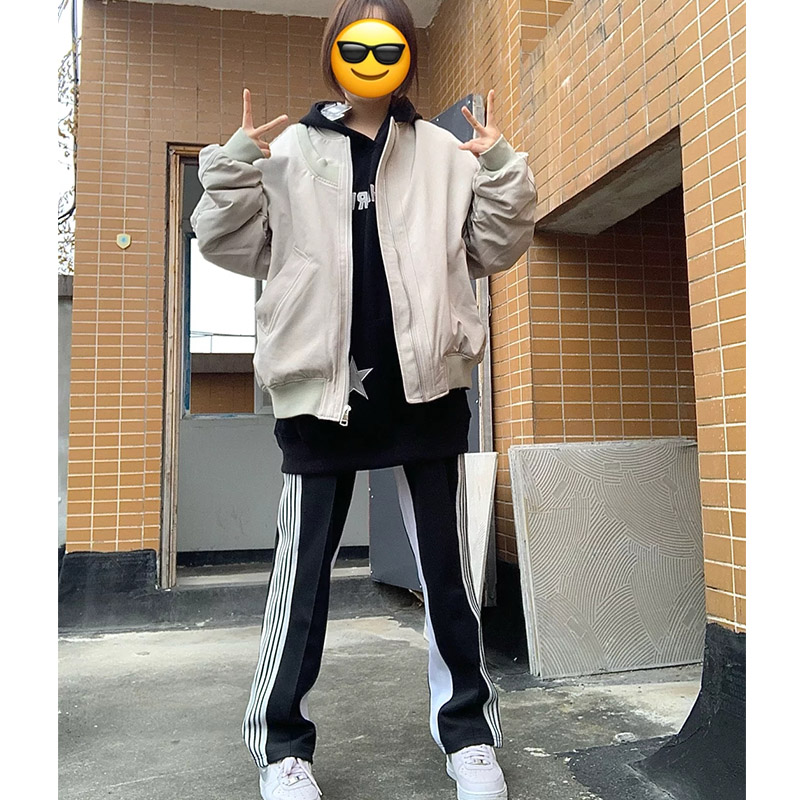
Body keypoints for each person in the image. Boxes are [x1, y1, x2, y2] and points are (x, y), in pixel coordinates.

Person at [190, 1, 536, 797]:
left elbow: (494, 246)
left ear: (407, 55)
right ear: (334, 52)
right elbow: (229, 242)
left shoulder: (444, 153)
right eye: (358, 44)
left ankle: (468, 735)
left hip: (426, 388)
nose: (372, 58)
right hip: (319, 390)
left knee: (447, 577)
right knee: (301, 581)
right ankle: (282, 746)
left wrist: (500, 167)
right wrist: (234, 166)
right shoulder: (289, 151)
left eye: (388, 45)